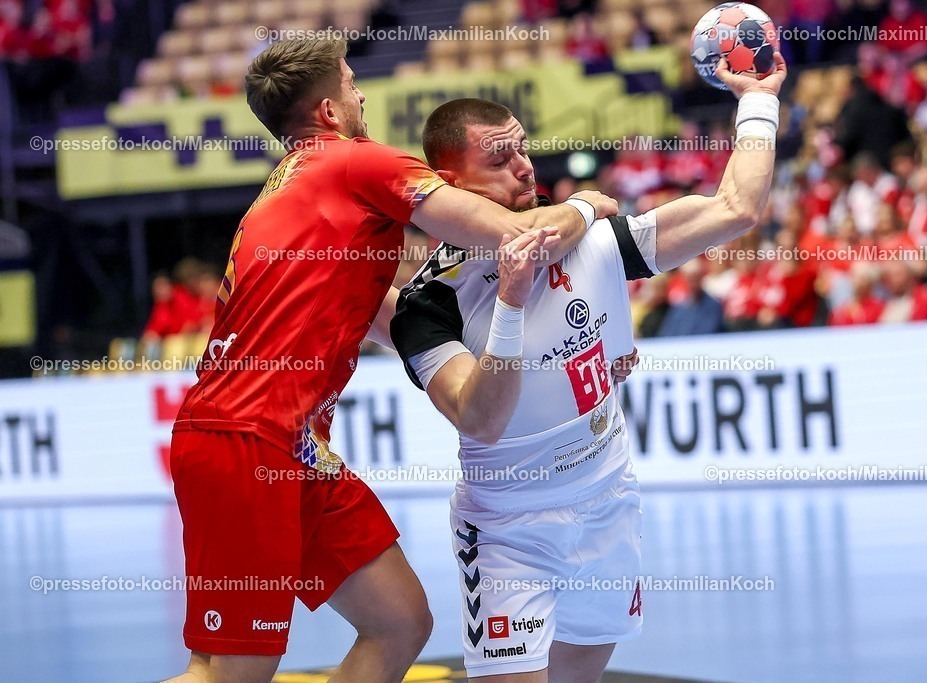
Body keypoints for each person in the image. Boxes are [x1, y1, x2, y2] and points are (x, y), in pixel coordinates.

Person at [165, 37, 618, 683]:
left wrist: (460, 338)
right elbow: (522, 237)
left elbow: (386, 313)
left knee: (400, 620)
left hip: (295, 447)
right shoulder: (354, 161)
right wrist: (584, 207)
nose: (361, 94)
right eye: (351, 84)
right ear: (327, 110)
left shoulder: (296, 189)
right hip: (246, 437)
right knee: (230, 671)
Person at [390, 53, 786, 681]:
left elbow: (734, 208)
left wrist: (759, 100)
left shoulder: (597, 237)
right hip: (508, 529)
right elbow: (482, 420)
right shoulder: (429, 303)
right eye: (498, 161)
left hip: (608, 498)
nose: (523, 167)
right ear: (449, 185)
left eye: (522, 150)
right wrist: (513, 307)